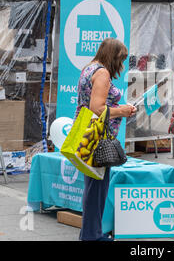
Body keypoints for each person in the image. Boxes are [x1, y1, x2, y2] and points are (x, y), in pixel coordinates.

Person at [75, 38, 137, 241]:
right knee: (97, 188)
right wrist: (123, 110)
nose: (122, 65)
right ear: (113, 56)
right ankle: (93, 236)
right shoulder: (102, 73)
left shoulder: (89, 68)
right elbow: (97, 107)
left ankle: (89, 232)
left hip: (86, 133)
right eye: (121, 59)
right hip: (98, 138)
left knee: (92, 186)